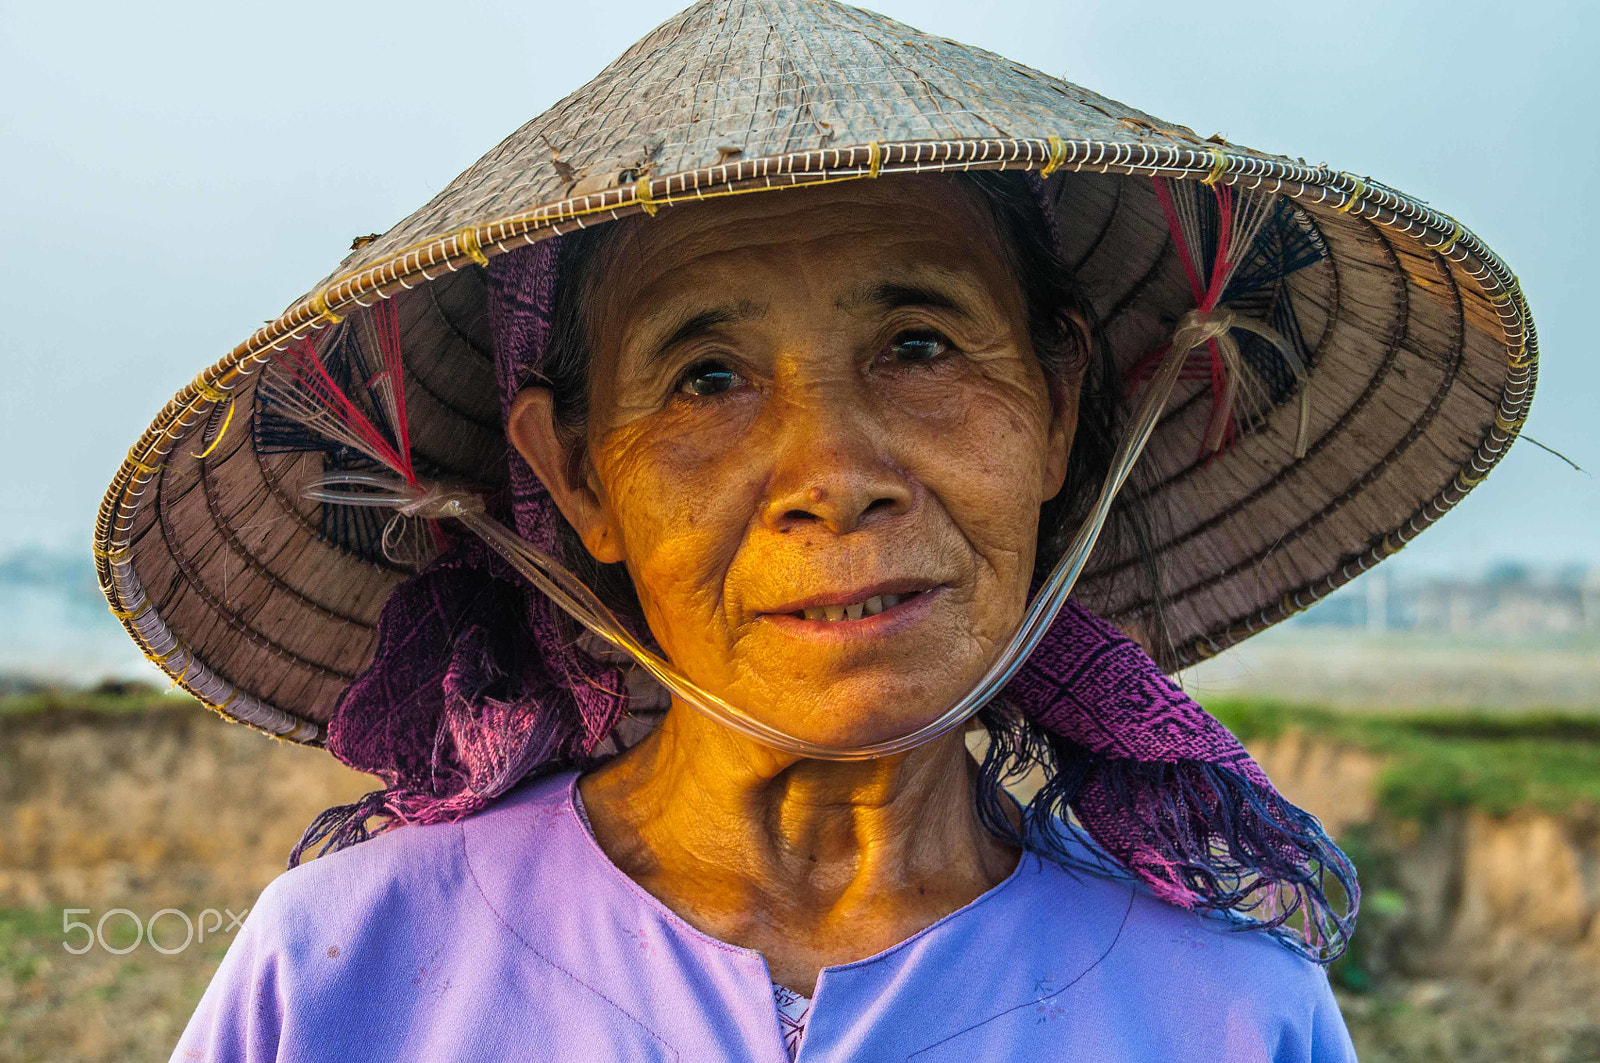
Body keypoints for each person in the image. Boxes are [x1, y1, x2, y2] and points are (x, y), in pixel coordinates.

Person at [93, 3, 1535, 1060]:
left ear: (1057, 403)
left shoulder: (1229, 1012)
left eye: (920, 345)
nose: (834, 474)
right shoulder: (348, 970)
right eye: (706, 379)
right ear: (575, 476)